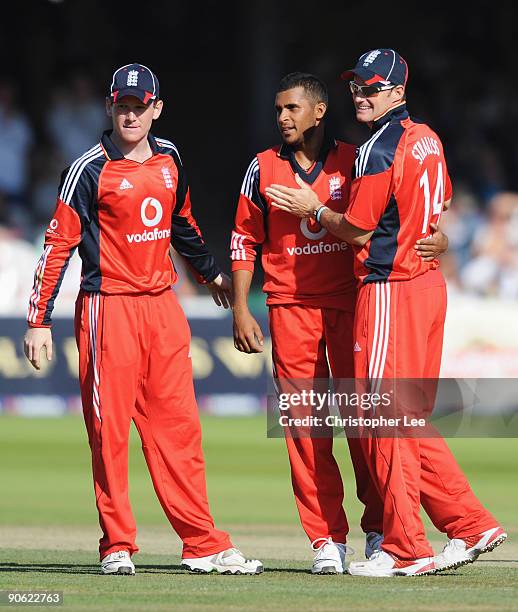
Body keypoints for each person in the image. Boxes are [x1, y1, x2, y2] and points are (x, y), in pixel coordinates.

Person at [265, 50, 506, 577]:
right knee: (403, 416)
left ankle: (406, 548)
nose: (361, 95)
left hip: (390, 287)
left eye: (372, 88)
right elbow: (434, 213)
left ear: (399, 91)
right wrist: (434, 237)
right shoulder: (427, 137)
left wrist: (313, 210)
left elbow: (358, 227)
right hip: (424, 285)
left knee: (385, 417)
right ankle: (469, 523)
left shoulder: (377, 147)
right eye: (357, 86)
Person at [24, 63, 262, 576]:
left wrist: (212, 275)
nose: (130, 115)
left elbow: (183, 224)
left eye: (140, 106)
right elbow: (58, 243)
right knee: (109, 432)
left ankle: (202, 543)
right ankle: (117, 545)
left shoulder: (171, 158)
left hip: (163, 309)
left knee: (178, 430)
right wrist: (38, 320)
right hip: (108, 308)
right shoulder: (88, 168)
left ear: (156, 108)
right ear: (111, 108)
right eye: (122, 106)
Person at [230, 72, 446, 573]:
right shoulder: (261, 168)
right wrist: (242, 307)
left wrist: (443, 238)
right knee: (305, 431)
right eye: (278, 110)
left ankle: (378, 530)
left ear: (319, 112)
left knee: (365, 425)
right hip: (289, 307)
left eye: (292, 109)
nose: (282, 118)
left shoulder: (357, 159)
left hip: (353, 303)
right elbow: (244, 239)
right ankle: (326, 539)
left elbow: (415, 206)